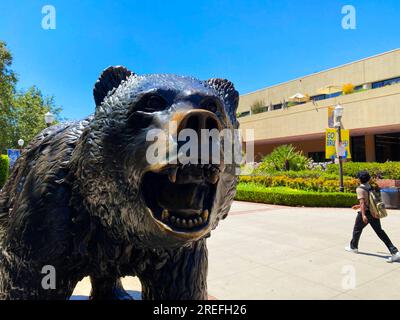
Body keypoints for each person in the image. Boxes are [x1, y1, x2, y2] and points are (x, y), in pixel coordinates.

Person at [345, 170, 400, 263]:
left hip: (366, 213)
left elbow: (362, 203)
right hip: (374, 212)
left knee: (357, 230)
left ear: (359, 179)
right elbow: (370, 201)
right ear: (368, 179)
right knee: (380, 232)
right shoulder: (370, 187)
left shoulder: (360, 189)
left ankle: (353, 247)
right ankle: (394, 252)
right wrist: (358, 206)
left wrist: (363, 215)